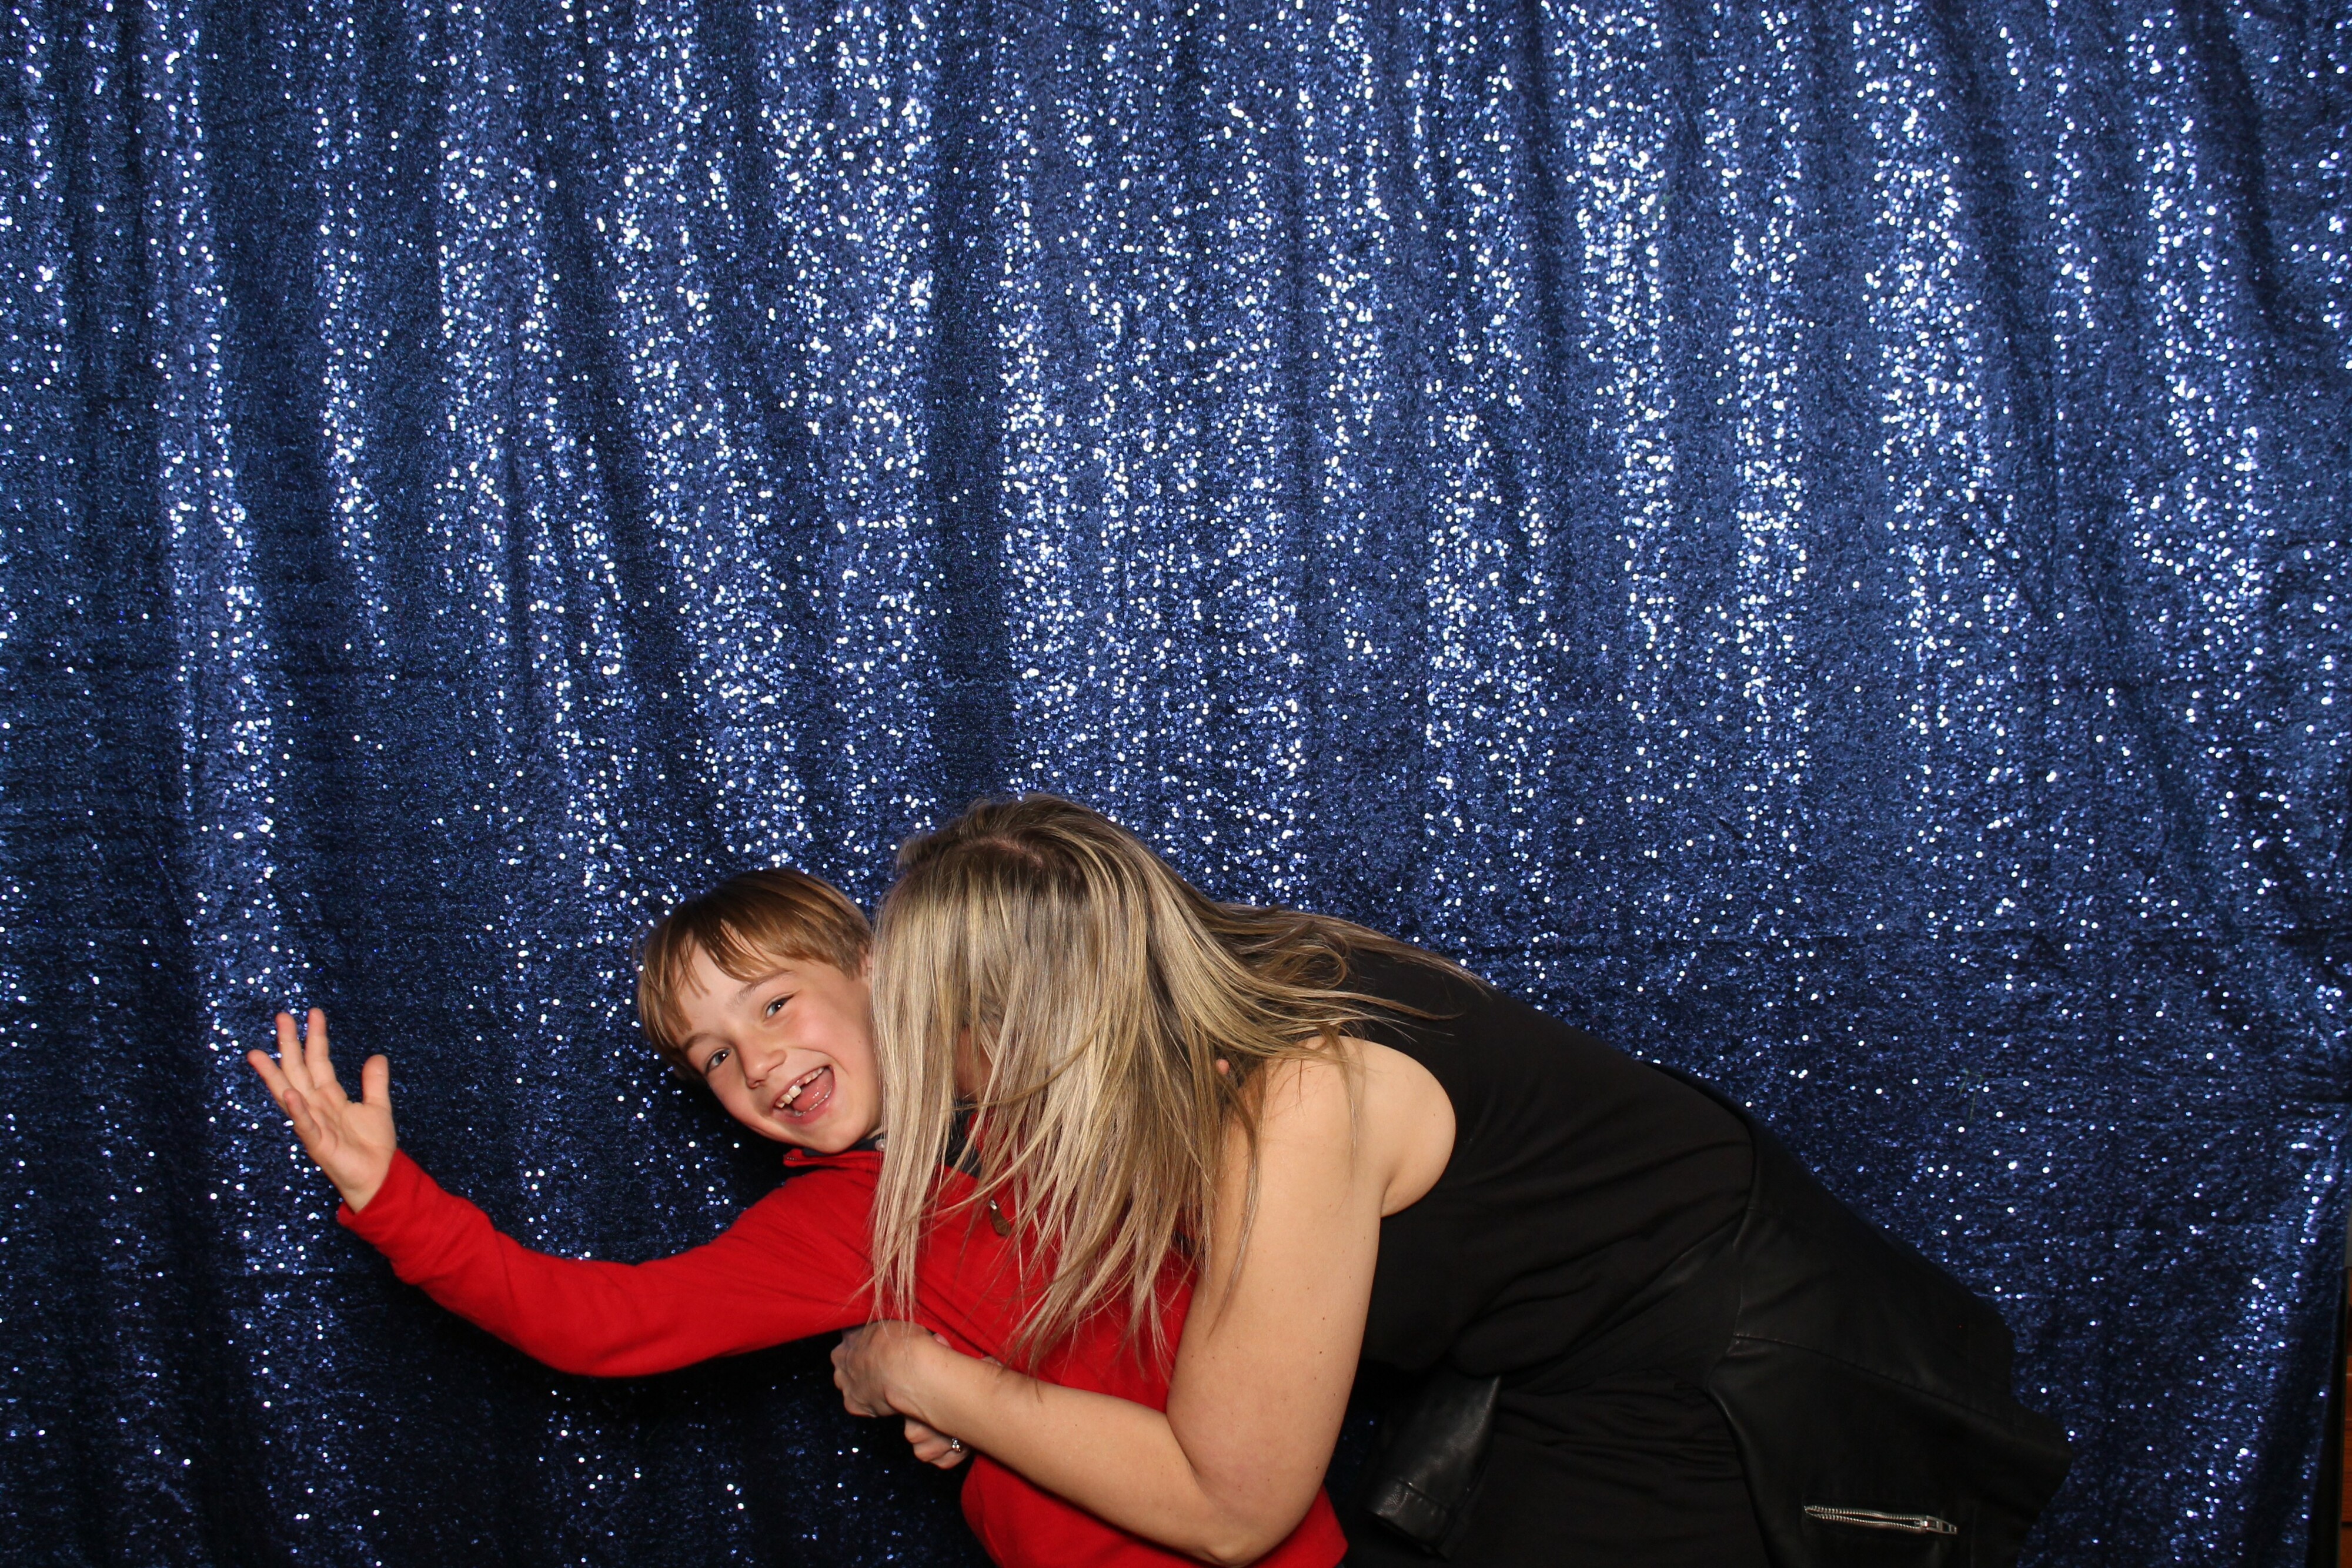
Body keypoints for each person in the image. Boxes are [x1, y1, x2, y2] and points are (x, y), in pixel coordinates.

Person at [830, 797, 2069, 1567]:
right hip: (1568, 1352)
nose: (931, 1070)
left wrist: (924, 1373)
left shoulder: (1292, 1095)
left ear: (1018, 1025)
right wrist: (1008, 1404)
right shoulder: (1210, 1003)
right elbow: (1217, 1340)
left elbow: (1230, 1506)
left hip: (1729, 1364)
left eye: (931, 1030)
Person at [246, 866, 1346, 1568]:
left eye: (775, 1004)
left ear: (875, 970)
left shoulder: (1052, 1075)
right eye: (716, 1057)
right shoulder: (834, 1224)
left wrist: (939, 1386)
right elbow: (603, 1322)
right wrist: (390, 1199)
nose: (761, 1062)